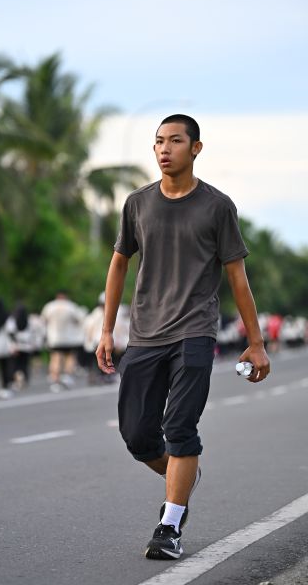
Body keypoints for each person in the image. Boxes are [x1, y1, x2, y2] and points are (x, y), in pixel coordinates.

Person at [96, 114, 270, 560]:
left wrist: (256, 342)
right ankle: (183, 472)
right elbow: (119, 263)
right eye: (158, 141)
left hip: (195, 332)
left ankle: (170, 525)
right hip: (145, 335)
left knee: (179, 428)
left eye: (175, 140)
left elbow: (237, 277)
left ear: (196, 148)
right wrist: (106, 330)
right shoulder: (137, 203)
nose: (164, 149)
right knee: (138, 436)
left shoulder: (217, 206)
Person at [41, 291, 85, 392]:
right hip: (68, 338)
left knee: (55, 358)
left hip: (54, 337)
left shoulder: (50, 306)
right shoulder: (71, 306)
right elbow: (79, 320)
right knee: (69, 357)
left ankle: (55, 380)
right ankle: (67, 375)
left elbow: (43, 320)